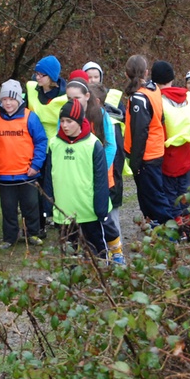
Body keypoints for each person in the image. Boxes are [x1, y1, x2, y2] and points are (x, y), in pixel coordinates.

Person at [66, 76, 125, 264]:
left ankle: (116, 252)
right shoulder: (69, 117)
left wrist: (98, 171)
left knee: (105, 218)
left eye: (76, 98)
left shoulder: (99, 114)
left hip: (100, 177)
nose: (72, 103)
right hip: (78, 180)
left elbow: (111, 146)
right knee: (84, 221)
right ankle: (93, 255)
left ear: (87, 96)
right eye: (69, 99)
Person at [43, 99, 110, 258]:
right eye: (62, 121)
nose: (64, 125)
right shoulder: (54, 143)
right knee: (68, 253)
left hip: (88, 211)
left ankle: (101, 278)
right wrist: (47, 204)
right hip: (63, 211)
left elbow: (101, 180)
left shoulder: (93, 144)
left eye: (69, 121)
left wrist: (101, 208)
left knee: (96, 250)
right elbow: (48, 177)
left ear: (79, 121)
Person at [0, 79, 48, 249]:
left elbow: (41, 141)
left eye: (12, 99)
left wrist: (36, 165)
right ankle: (10, 237)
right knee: (8, 208)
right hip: (4, 173)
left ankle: (32, 233)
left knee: (30, 206)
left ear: (19, 99)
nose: (8, 103)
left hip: (27, 172)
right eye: (5, 99)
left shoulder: (30, 117)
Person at [124, 55, 178, 228]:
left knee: (154, 195)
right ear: (146, 73)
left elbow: (140, 133)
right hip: (154, 150)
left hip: (146, 154)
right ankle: (155, 223)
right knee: (148, 193)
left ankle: (171, 230)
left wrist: (135, 162)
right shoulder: (153, 89)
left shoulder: (139, 98)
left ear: (126, 74)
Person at [151, 61, 190, 239]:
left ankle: (177, 229)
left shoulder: (157, 100)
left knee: (170, 195)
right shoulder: (189, 97)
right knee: (184, 192)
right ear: (173, 78)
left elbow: (157, 130)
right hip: (185, 154)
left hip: (166, 156)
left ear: (154, 82)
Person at [26, 55, 68, 238]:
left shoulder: (65, 97)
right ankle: (39, 225)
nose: (37, 77)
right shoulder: (31, 89)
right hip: (34, 144)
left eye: (42, 74)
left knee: (56, 186)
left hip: (55, 146)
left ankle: (61, 220)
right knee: (37, 186)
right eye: (36, 73)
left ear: (52, 76)